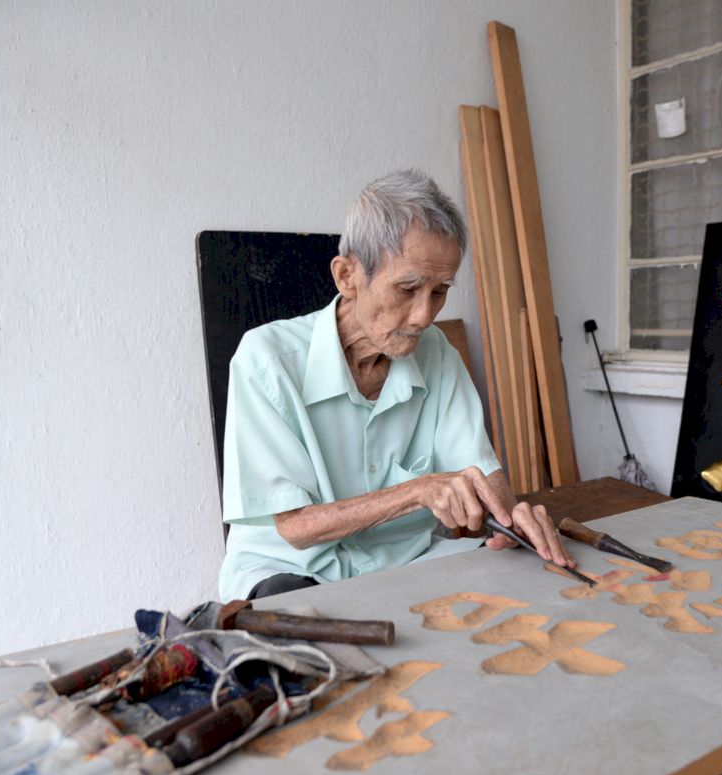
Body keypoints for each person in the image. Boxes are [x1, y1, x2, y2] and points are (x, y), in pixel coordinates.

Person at [217, 169, 575, 601]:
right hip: (293, 566)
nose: (425, 316)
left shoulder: (437, 353)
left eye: (440, 291)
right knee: (297, 625)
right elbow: (295, 526)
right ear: (348, 275)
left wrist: (509, 513)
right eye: (408, 289)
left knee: (516, 582)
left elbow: (481, 470)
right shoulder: (266, 361)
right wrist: (418, 492)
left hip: (406, 558)